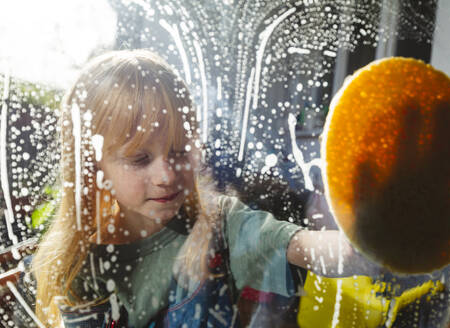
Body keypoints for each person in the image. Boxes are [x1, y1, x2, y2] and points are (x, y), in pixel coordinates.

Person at [31, 49, 378, 328]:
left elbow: (306, 246)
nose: (166, 174)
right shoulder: (79, 262)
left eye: (179, 151)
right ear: (93, 166)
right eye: (139, 159)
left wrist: (368, 249)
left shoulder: (218, 224)